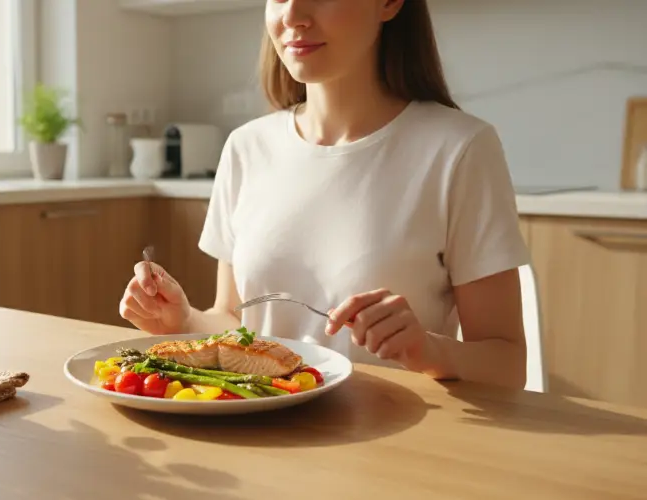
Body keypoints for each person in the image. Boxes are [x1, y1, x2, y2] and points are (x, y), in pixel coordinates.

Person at [119, 0, 530, 389]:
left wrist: (428, 349)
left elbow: (508, 365)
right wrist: (184, 319)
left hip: (395, 445)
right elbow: (234, 322)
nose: (294, 15)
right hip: (263, 438)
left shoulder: (460, 149)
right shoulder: (246, 147)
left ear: (388, 3)